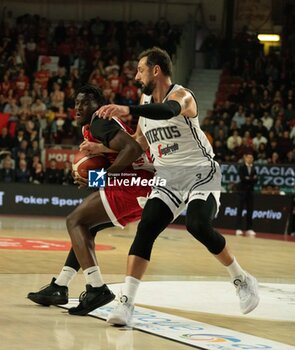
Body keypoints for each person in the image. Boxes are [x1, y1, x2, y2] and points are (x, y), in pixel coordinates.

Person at [96, 47, 260, 325]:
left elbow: (167, 110)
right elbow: (137, 145)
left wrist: (127, 108)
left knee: (197, 224)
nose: (136, 75)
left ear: (156, 70)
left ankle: (242, 279)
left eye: (140, 69)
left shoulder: (183, 96)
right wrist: (98, 148)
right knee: (147, 225)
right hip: (168, 177)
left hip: (200, 172)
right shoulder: (146, 108)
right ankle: (126, 303)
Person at [27, 85, 154, 315]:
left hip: (134, 184)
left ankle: (96, 288)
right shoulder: (94, 126)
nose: (77, 107)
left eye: (84, 103)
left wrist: (103, 177)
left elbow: (132, 149)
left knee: (74, 221)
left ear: (98, 105)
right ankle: (61, 286)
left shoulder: (99, 120)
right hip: (142, 187)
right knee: (87, 227)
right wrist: (97, 173)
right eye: (76, 103)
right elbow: (118, 154)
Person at [235, 153, 258, 236]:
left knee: (250, 210)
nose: (250, 159)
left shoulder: (254, 168)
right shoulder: (241, 167)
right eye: (248, 157)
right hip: (242, 192)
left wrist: (249, 179)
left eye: (251, 157)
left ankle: (249, 228)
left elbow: (256, 180)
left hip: (250, 192)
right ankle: (238, 228)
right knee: (240, 210)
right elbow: (243, 179)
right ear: (245, 158)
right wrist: (251, 179)